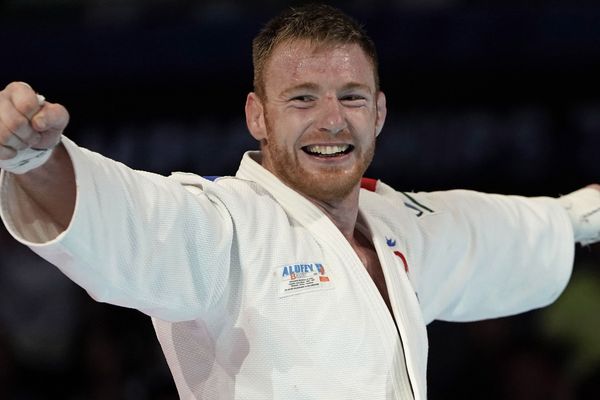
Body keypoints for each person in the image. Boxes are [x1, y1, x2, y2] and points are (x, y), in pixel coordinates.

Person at [0, 4, 599, 400]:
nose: (332, 121)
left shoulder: (399, 227)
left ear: (381, 113)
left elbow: (497, 230)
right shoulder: (225, 225)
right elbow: (125, 216)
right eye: (303, 99)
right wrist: (34, 160)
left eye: (352, 97)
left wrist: (580, 216)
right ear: (257, 116)